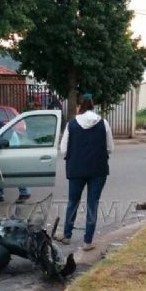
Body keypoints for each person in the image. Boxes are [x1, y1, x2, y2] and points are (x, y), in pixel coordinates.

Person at [54, 94, 113, 251]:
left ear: (79, 106)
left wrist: (75, 156)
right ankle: (87, 241)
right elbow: (110, 148)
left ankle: (67, 235)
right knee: (92, 204)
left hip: (76, 169)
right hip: (98, 169)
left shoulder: (72, 124)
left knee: (73, 202)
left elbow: (63, 149)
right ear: (93, 105)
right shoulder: (104, 123)